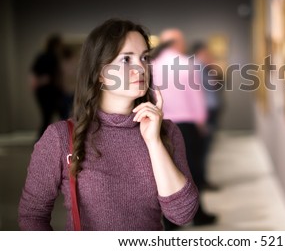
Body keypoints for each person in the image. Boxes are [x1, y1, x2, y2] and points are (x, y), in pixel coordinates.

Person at [19, 18, 199, 230]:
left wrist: (154, 142)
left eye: (144, 58)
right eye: (126, 60)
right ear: (101, 73)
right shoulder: (60, 137)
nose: (141, 68)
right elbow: (33, 216)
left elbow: (182, 214)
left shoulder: (166, 131)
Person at [152, 28, 217, 228]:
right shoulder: (185, 64)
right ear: (177, 43)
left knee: (165, 171)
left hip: (160, 124)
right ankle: (198, 214)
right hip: (187, 125)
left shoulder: (152, 65)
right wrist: (201, 122)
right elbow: (196, 97)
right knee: (192, 169)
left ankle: (171, 221)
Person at [191, 41, 225, 190]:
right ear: (200, 53)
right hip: (205, 113)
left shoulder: (203, 67)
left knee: (206, 147)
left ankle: (202, 179)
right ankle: (201, 181)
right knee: (203, 148)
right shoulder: (196, 67)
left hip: (208, 111)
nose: (209, 56)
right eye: (206, 53)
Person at [30, 34, 64, 139]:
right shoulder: (51, 57)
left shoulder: (45, 56)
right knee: (50, 116)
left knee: (48, 117)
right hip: (48, 92)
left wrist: (37, 83)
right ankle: (41, 141)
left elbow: (33, 74)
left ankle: (43, 140)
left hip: (45, 91)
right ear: (55, 45)